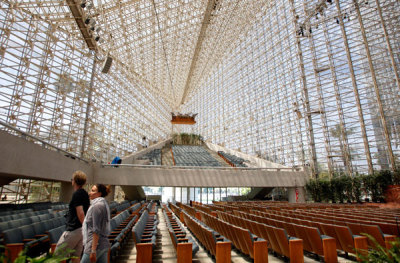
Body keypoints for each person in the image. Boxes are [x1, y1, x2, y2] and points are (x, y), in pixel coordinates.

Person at [55, 171, 90, 262]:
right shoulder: (85, 194)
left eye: (72, 179)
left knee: (57, 255)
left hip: (74, 229)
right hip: (80, 230)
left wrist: (84, 227)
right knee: (76, 257)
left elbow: (81, 213)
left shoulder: (77, 194)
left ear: (74, 181)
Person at [81, 184, 111, 263]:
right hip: (103, 244)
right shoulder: (103, 204)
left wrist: (93, 250)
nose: (90, 193)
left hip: (94, 245)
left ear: (99, 194)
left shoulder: (97, 206)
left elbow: (96, 229)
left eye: (93, 191)